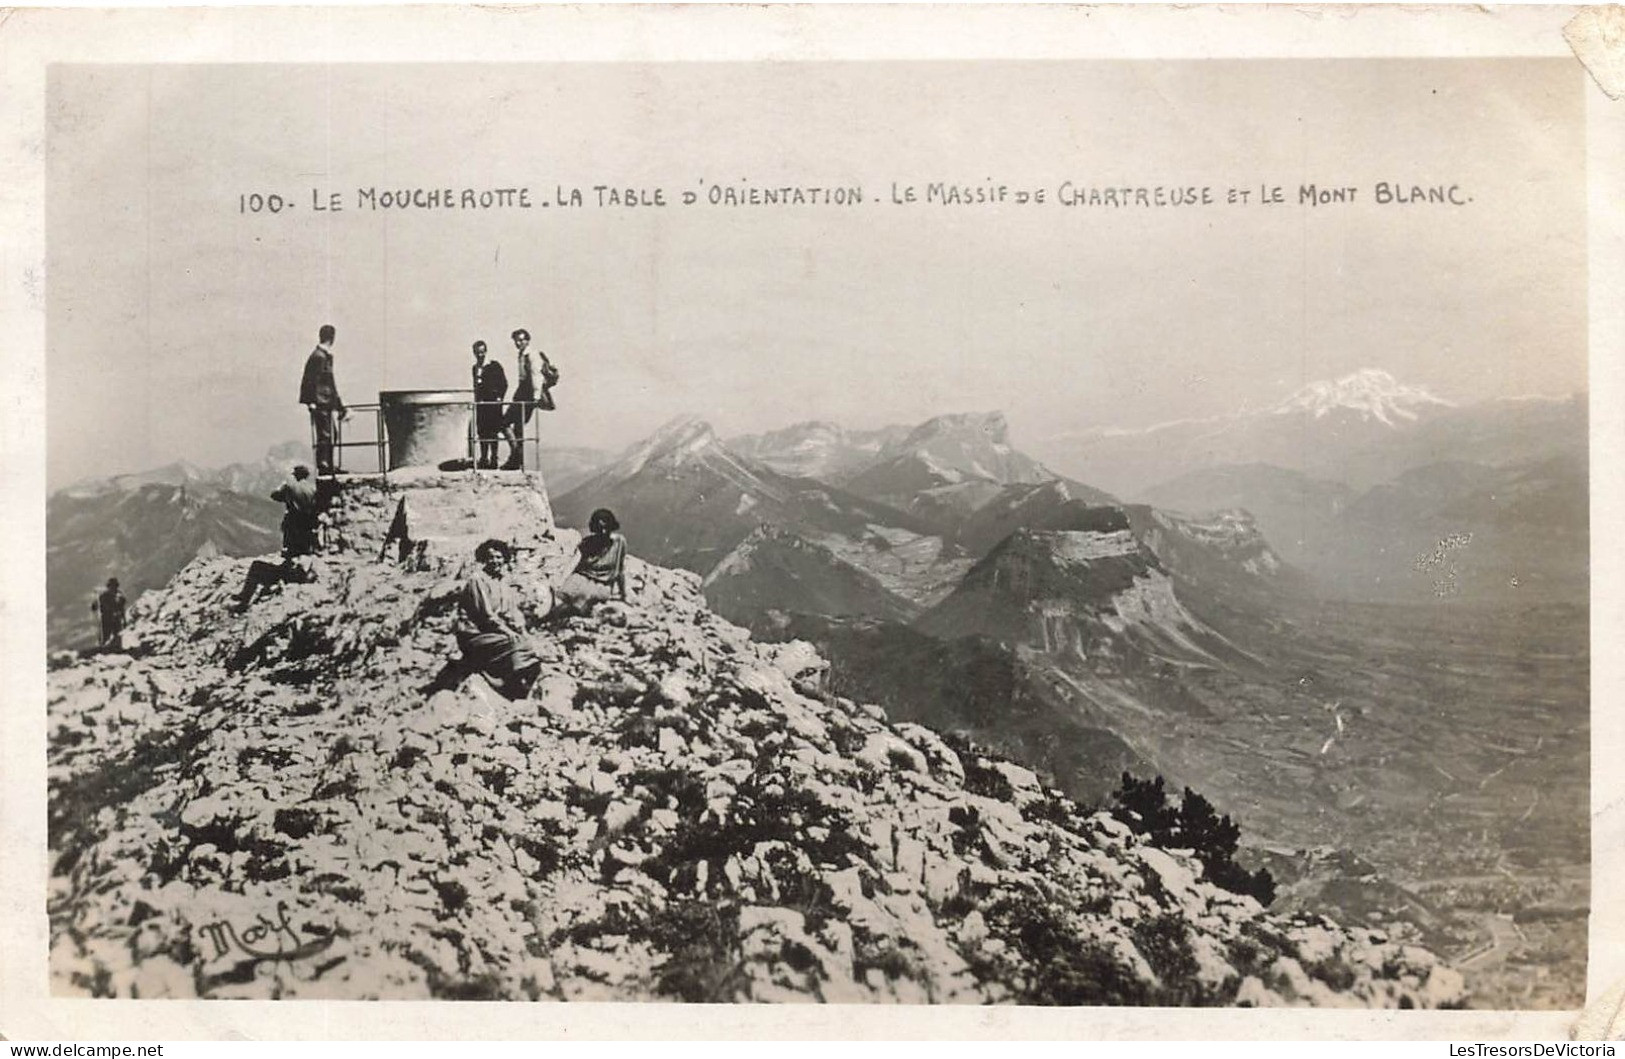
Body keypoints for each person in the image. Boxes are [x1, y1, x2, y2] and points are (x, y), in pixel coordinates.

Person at [424, 539, 541, 700]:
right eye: (491, 557)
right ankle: (499, 681)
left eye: (499, 557)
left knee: (528, 644)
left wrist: (522, 631)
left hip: (495, 632)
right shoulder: (477, 580)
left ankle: (509, 680)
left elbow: (512, 613)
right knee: (514, 642)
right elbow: (486, 615)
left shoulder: (503, 583)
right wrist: (508, 631)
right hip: (475, 634)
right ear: (484, 559)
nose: (495, 561)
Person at [548, 508, 628, 619]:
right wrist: (560, 580)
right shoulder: (588, 543)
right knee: (566, 595)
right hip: (583, 577)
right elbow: (575, 563)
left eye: (606, 528)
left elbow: (620, 570)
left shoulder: (619, 542)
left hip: (603, 584)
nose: (604, 532)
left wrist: (623, 594)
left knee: (583, 598)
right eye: (600, 529)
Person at [501, 328, 559, 470]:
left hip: (527, 393)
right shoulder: (522, 355)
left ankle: (516, 457)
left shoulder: (531, 355)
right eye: (516, 340)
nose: (518, 343)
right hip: (522, 391)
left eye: (521, 340)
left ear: (527, 340)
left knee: (506, 422)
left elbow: (536, 376)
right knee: (516, 425)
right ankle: (516, 457)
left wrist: (535, 397)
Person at [299, 324, 348, 475]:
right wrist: (311, 402)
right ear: (332, 338)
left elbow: (327, 382)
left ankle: (328, 465)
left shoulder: (321, 356)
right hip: (321, 402)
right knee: (325, 434)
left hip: (324, 401)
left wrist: (339, 405)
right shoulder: (319, 357)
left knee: (330, 433)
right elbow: (311, 380)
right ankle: (325, 466)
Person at [470, 340, 511, 469]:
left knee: (493, 432)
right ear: (474, 353)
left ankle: (493, 459)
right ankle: (483, 458)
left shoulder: (494, 366)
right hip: (482, 405)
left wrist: (499, 397)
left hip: (493, 405)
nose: (480, 355)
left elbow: (504, 383)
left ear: (486, 351)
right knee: (482, 431)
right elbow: (477, 386)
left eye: (482, 352)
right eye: (477, 353)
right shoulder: (475, 368)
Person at [270, 464, 320, 556]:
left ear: (296, 475)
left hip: (294, 520)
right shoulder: (313, 488)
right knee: (305, 547)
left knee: (291, 547)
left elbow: (274, 495)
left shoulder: (290, 486)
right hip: (308, 521)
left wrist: (284, 486)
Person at [233, 556, 316, 610]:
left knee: (256, 568)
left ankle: (244, 602)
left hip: (286, 575)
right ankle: (244, 596)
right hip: (285, 572)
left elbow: (301, 568)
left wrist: (293, 562)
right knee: (256, 565)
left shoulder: (304, 549)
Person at [91, 578, 126, 648]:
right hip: (107, 619)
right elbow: (94, 607)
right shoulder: (105, 596)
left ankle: (115, 648)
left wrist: (124, 619)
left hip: (114, 619)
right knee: (107, 636)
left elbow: (122, 608)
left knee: (116, 636)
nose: (113, 588)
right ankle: (107, 648)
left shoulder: (118, 596)